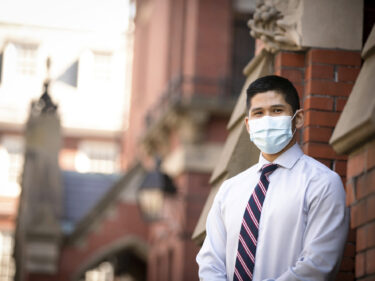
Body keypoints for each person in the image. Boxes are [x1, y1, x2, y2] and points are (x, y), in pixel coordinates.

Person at [196, 75, 349, 281]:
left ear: (298, 118)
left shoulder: (323, 184)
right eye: (258, 113)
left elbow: (318, 266)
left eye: (277, 111)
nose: (267, 120)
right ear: (248, 125)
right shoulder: (229, 190)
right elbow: (210, 262)